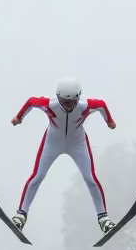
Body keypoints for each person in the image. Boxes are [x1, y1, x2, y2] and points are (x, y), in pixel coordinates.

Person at [11, 77, 116, 235]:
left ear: (78, 98)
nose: (68, 106)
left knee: (91, 179)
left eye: (72, 102)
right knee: (37, 177)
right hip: (52, 144)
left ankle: (103, 218)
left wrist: (110, 121)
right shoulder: (49, 104)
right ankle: (21, 214)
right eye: (64, 102)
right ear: (58, 98)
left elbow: (102, 105)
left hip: (78, 144)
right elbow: (31, 101)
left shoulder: (85, 106)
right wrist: (19, 117)